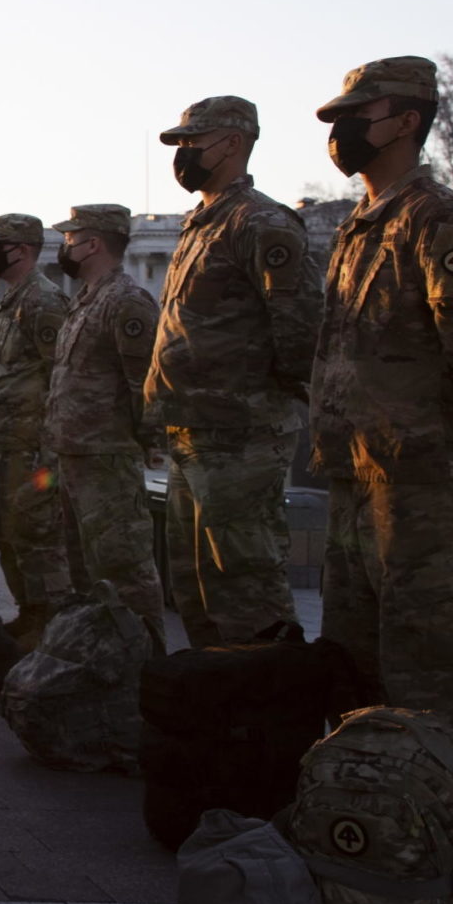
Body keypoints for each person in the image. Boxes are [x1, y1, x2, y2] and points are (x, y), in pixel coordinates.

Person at [305, 59, 453, 822]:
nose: (340, 130)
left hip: (420, 485)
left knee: (430, 667)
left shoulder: (437, 218)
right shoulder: (357, 226)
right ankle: (370, 811)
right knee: (354, 663)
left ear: (406, 120)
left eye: (359, 112)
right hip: (356, 479)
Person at [142, 96, 319, 647]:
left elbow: (300, 326)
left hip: (240, 435)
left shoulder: (261, 222)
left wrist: (263, 402)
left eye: (193, 142)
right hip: (192, 432)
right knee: (197, 587)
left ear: (234, 143)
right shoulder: (201, 224)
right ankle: (218, 705)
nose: (184, 154)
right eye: (180, 145)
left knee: (246, 585)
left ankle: (271, 713)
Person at [44, 205, 168, 639]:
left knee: (125, 573)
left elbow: (145, 385)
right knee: (87, 579)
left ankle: (147, 670)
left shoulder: (126, 301)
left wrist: (149, 442)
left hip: (108, 459)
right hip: (76, 454)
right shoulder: (85, 300)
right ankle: (101, 669)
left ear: (92, 243)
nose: (64, 246)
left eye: (69, 238)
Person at [0, 213, 74, 646]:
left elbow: (62, 376)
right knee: (8, 533)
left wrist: (50, 454)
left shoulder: (44, 302)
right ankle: (30, 614)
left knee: (36, 537)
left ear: (25, 250)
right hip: (5, 445)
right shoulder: (12, 300)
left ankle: (50, 623)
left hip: (32, 448)